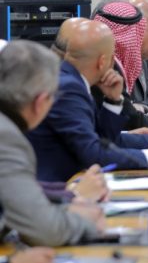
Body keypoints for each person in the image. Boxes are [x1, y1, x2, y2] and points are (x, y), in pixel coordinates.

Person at [26, 20, 148, 182]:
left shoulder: (73, 80)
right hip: (58, 186)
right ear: (102, 62)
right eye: (112, 57)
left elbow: (103, 139)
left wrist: (113, 101)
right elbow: (92, 153)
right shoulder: (69, 88)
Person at [0, 40, 104, 246]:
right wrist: (86, 220)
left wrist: (69, 196)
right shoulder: (6, 137)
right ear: (40, 102)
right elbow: (47, 231)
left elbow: (15, 191)